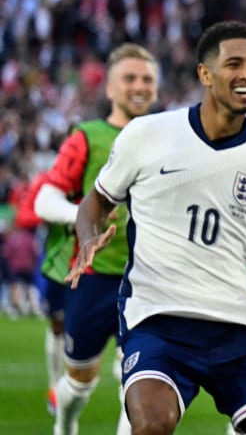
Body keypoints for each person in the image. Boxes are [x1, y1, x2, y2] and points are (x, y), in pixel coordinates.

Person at [66, 20, 246, 435]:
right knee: (152, 424)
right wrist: (87, 237)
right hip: (156, 317)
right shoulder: (147, 135)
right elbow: (95, 202)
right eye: (234, 64)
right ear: (205, 74)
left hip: (236, 323)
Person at [35, 43, 158, 435]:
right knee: (78, 384)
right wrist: (84, 216)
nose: (139, 86)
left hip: (148, 282)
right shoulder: (87, 137)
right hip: (92, 278)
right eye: (130, 78)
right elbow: (44, 198)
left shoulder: (170, 137)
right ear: (109, 88)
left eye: (147, 79)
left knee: (139, 383)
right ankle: (66, 423)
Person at [13, 171, 65, 414]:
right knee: (57, 324)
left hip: (99, 265)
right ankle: (55, 386)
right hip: (58, 265)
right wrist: (61, 214)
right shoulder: (49, 179)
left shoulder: (103, 172)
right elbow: (24, 217)